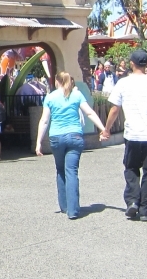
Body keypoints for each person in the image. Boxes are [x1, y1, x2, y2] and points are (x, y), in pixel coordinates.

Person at [99, 49, 147, 222]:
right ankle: (146, 209)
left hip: (132, 134)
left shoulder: (123, 83)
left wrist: (107, 129)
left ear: (132, 64)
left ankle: (133, 201)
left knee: (131, 168)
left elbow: (114, 109)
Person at [35, 72, 107, 220]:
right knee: (72, 171)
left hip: (56, 137)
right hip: (75, 136)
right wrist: (103, 129)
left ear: (57, 81)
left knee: (60, 170)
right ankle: (73, 210)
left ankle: (64, 206)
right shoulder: (76, 95)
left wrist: (38, 142)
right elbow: (90, 113)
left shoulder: (50, 97)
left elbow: (44, 121)